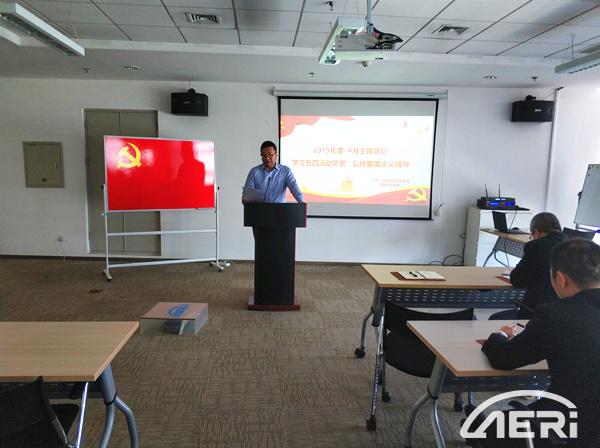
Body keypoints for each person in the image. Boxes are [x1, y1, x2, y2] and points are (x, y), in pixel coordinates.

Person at [480, 238, 600, 447]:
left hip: (572, 428)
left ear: (560, 279)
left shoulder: (556, 314)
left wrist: (499, 336)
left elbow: (504, 359)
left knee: (490, 429)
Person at [492, 212, 564, 319]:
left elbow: (517, 279)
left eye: (532, 235)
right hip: (564, 311)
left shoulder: (535, 246)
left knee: (494, 318)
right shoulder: (574, 245)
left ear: (536, 232)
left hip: (536, 310)